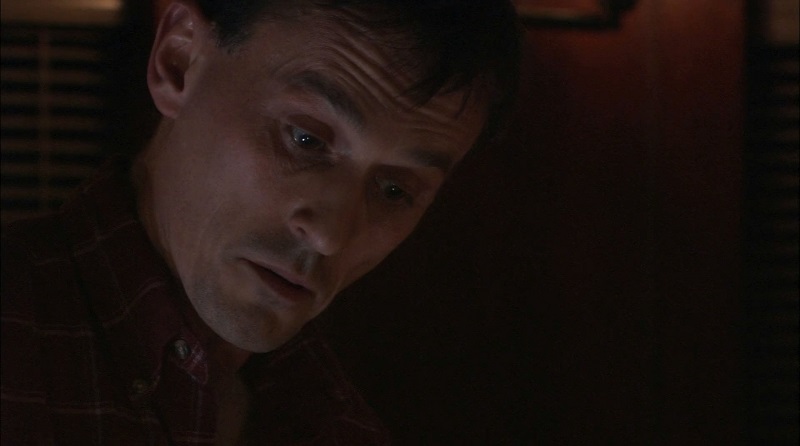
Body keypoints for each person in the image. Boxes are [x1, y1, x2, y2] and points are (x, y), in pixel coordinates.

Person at [1, 0, 521, 444]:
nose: (329, 235)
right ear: (179, 61)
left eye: (394, 190)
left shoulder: (337, 425)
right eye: (305, 139)